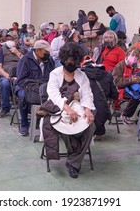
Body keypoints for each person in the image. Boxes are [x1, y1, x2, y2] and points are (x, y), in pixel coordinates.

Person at [45, 42, 96, 178]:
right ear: (63, 60)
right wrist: (67, 108)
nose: (72, 65)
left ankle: (73, 161)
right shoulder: (55, 74)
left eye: (75, 62)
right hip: (60, 108)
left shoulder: (82, 75)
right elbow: (53, 94)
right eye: (69, 62)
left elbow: (87, 94)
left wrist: (88, 110)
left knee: (90, 126)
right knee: (66, 127)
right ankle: (75, 162)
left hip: (78, 108)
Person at [14, 40, 55, 136]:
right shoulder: (25, 60)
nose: (48, 54)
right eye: (46, 52)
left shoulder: (49, 60)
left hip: (44, 86)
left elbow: (53, 75)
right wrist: (34, 87)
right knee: (23, 96)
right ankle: (24, 124)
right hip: (27, 86)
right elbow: (21, 80)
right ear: (37, 50)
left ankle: (49, 123)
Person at [112, 46, 140, 126]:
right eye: (132, 55)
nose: (134, 58)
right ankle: (125, 115)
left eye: (136, 56)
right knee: (135, 96)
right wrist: (130, 81)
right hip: (122, 89)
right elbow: (116, 83)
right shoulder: (120, 66)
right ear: (127, 55)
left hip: (138, 87)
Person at [81, 56, 119, 140]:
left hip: (82, 121)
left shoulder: (80, 76)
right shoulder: (108, 75)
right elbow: (115, 95)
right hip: (101, 119)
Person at [0, 32, 25, 118]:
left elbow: (28, 63)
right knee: (5, 84)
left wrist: (17, 53)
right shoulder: (3, 50)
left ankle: (25, 108)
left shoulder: (22, 50)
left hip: (21, 76)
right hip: (7, 75)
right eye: (8, 39)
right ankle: (5, 108)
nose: (9, 41)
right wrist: (6, 75)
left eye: (11, 39)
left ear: (17, 41)